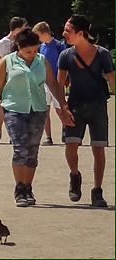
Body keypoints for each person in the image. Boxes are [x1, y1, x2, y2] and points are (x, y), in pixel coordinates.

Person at [0, 28, 74, 207]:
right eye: (28, 51)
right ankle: (19, 188)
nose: (32, 54)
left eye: (35, 50)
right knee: (20, 148)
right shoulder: (7, 61)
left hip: (37, 109)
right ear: (18, 47)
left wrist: (63, 106)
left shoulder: (42, 61)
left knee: (33, 151)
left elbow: (53, 84)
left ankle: (28, 186)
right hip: (14, 109)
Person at [58, 14, 115, 208]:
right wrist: (62, 108)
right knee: (70, 145)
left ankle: (97, 191)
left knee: (99, 150)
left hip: (98, 106)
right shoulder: (66, 55)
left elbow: (112, 80)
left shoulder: (102, 54)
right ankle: (75, 174)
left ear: (80, 33)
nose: (64, 33)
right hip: (74, 106)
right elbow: (59, 85)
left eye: (68, 30)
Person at [0, 17, 28, 144]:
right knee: (4, 105)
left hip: (19, 77)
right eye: (23, 27)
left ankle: (15, 133)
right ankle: (0, 130)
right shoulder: (3, 43)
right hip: (6, 77)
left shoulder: (22, 42)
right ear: (17, 28)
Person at [32, 21, 67, 146]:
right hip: (44, 82)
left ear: (43, 33)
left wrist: (65, 80)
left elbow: (65, 64)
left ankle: (66, 128)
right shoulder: (41, 47)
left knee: (60, 109)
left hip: (57, 82)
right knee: (44, 110)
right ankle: (48, 137)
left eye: (37, 35)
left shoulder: (59, 45)